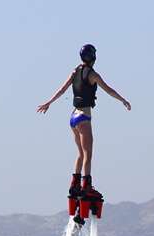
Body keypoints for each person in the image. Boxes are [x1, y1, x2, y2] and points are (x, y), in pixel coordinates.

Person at [37, 44, 131, 198]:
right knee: (88, 154)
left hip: (73, 118)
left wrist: (49, 102)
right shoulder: (93, 75)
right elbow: (109, 90)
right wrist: (123, 100)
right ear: (93, 57)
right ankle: (86, 187)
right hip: (84, 118)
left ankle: (74, 185)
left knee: (80, 153)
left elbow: (62, 90)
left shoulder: (75, 71)